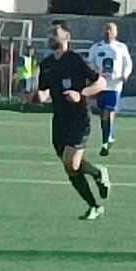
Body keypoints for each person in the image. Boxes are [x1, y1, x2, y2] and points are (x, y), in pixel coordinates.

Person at [31, 21, 112, 220]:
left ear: (66, 37)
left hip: (78, 119)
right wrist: (37, 97)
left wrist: (80, 94)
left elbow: (101, 83)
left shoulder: (76, 60)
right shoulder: (47, 64)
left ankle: (95, 197)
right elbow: (44, 91)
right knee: (70, 167)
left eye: (55, 33)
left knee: (71, 163)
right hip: (59, 120)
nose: (50, 36)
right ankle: (95, 191)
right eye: (49, 33)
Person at [88, 22, 135, 156]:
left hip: (114, 85)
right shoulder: (96, 48)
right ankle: (109, 136)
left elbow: (128, 63)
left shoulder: (121, 47)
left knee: (108, 111)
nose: (108, 32)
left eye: (111, 30)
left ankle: (106, 140)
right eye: (106, 29)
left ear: (115, 33)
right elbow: (90, 63)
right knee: (103, 113)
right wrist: (94, 75)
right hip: (100, 84)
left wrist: (125, 75)